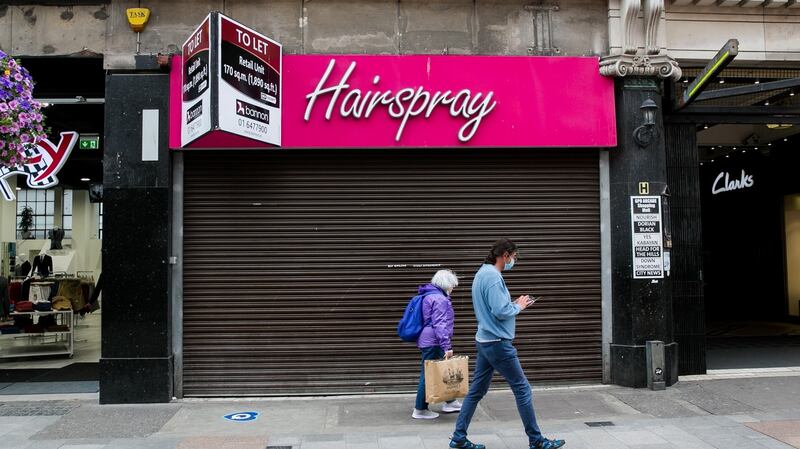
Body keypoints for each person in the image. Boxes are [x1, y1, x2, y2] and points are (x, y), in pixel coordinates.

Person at [450, 239, 565, 449]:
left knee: (476, 391)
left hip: (485, 339)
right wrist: (518, 306)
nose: (514, 261)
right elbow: (500, 312)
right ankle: (536, 440)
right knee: (523, 389)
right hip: (497, 343)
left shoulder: (481, 273)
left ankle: (458, 437)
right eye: (513, 257)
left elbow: (494, 307)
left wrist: (514, 304)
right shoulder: (493, 277)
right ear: (505, 255)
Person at [413, 269, 462, 420]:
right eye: (452, 285)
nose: (453, 288)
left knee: (442, 371)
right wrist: (446, 346)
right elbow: (440, 324)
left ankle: (450, 401)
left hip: (429, 339)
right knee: (428, 374)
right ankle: (420, 409)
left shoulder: (428, 295)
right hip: (434, 341)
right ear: (446, 284)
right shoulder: (439, 299)